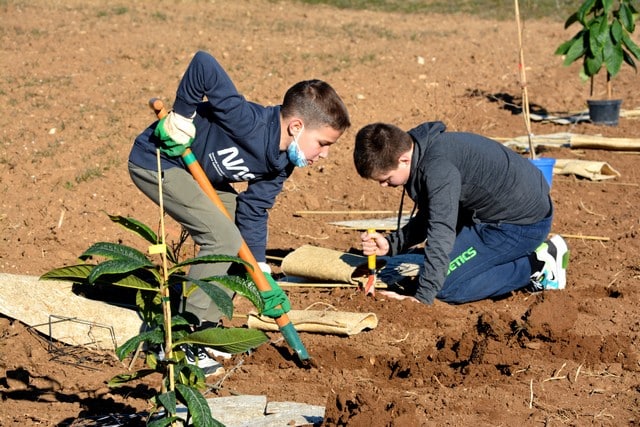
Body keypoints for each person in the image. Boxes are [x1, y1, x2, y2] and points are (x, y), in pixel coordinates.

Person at [128, 51, 350, 373]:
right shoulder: (248, 122)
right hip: (159, 160)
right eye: (323, 143)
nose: (325, 154)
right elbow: (203, 65)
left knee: (235, 232)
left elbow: (254, 209)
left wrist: (259, 268)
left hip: (196, 174)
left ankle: (208, 322)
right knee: (222, 236)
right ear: (297, 126)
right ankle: (187, 339)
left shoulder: (282, 162)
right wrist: (182, 117)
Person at [355, 121, 569, 305]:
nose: (383, 185)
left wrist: (422, 297)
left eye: (386, 178)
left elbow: (441, 232)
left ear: (403, 159)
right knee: (437, 266)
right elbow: (431, 215)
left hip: (520, 226)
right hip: (495, 211)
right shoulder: (422, 149)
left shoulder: (437, 169)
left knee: (446, 287)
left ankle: (536, 265)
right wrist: (392, 244)